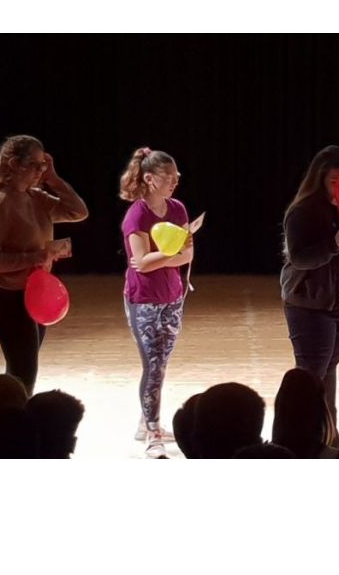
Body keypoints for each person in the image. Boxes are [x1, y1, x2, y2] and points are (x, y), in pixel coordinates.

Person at [0, 135, 88, 395]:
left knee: (22, 370)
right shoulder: (1, 203)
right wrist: (34, 257)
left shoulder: (36, 198)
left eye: (43, 165)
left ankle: (6, 414)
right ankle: (7, 416)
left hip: (34, 295)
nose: (40, 170)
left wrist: (54, 180)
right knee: (23, 372)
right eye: (35, 165)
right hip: (6, 296)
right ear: (14, 164)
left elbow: (78, 212)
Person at [280, 145, 339, 447]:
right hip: (310, 306)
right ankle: (299, 438)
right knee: (310, 377)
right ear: (320, 178)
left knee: (329, 370)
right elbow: (299, 258)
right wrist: (333, 243)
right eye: (334, 181)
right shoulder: (303, 212)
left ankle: (328, 433)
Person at [120, 147, 193, 458]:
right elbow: (141, 264)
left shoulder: (178, 209)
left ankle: (145, 421)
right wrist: (169, 255)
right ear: (150, 179)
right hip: (144, 299)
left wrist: (163, 256)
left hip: (172, 296)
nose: (174, 182)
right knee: (153, 366)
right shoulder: (137, 215)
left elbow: (187, 255)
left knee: (161, 364)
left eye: (176, 176)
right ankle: (152, 431)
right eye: (168, 177)